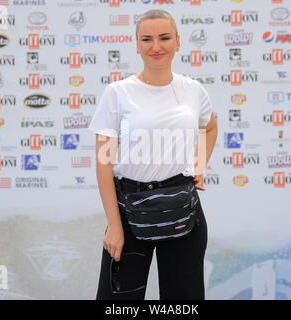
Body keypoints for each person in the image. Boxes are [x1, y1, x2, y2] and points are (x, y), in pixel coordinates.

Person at [88, 9, 218, 300]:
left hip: (184, 213)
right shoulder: (118, 93)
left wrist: (199, 164)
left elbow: (209, 127)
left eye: (164, 38)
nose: (156, 46)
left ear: (177, 42)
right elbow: (103, 163)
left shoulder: (193, 90)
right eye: (147, 39)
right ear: (136, 44)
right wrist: (114, 225)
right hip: (129, 213)